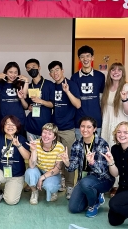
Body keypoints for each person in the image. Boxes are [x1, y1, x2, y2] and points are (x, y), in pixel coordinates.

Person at [59, 116, 114, 218]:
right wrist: (67, 162)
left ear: (94, 129)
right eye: (82, 126)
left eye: (89, 127)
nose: (85, 129)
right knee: (74, 208)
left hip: (103, 179)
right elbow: (72, 167)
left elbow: (103, 171)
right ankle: (93, 194)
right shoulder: (77, 144)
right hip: (84, 180)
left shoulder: (101, 144)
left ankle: (94, 204)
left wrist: (92, 162)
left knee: (85, 182)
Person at [100, 62, 128, 198]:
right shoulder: (107, 87)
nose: (116, 72)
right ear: (109, 73)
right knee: (108, 154)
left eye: (119, 70)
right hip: (107, 124)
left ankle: (119, 185)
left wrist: (124, 99)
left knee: (120, 155)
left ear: (123, 73)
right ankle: (110, 183)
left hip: (120, 125)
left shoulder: (127, 88)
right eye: (113, 70)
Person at [48, 60, 81, 199]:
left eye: (57, 70)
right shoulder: (51, 87)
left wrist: (67, 91)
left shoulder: (71, 84)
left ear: (62, 70)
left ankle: (69, 186)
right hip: (55, 129)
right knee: (56, 157)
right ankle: (61, 181)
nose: (55, 73)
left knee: (68, 158)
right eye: (52, 71)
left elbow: (78, 104)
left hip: (68, 128)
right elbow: (50, 105)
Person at [0, 115, 31, 204]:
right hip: (0, 171)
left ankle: (10, 188)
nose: (10, 127)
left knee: (11, 201)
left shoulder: (21, 139)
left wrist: (19, 145)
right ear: (3, 126)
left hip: (16, 174)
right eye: (7, 124)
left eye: (13, 125)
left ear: (17, 127)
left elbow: (27, 157)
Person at [70, 45, 106, 139]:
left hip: (96, 120)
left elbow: (102, 99)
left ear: (92, 57)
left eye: (88, 56)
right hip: (80, 122)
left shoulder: (100, 76)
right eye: (82, 56)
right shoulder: (74, 78)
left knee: (96, 150)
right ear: (79, 59)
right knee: (80, 150)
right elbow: (74, 100)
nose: (85, 59)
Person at [25, 123, 64, 204]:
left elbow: (57, 169)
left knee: (49, 186)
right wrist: (34, 150)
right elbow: (32, 165)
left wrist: (42, 177)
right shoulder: (35, 143)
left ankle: (53, 191)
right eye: (44, 132)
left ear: (54, 137)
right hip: (39, 169)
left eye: (50, 134)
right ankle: (34, 192)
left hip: (53, 172)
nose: (46, 136)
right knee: (29, 172)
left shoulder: (60, 147)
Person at [0, 61, 29, 135]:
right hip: (6, 123)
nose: (13, 75)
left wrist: (27, 80)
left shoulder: (20, 84)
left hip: (19, 121)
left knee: (20, 144)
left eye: (15, 72)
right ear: (6, 72)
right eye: (10, 72)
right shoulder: (0, 85)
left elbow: (24, 100)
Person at [21, 58, 54, 140]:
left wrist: (41, 101)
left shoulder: (49, 84)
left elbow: (53, 105)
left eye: (33, 66)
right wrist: (27, 105)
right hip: (30, 126)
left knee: (45, 151)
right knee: (31, 151)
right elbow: (26, 106)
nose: (31, 69)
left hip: (45, 127)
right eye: (28, 68)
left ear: (39, 67)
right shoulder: (28, 86)